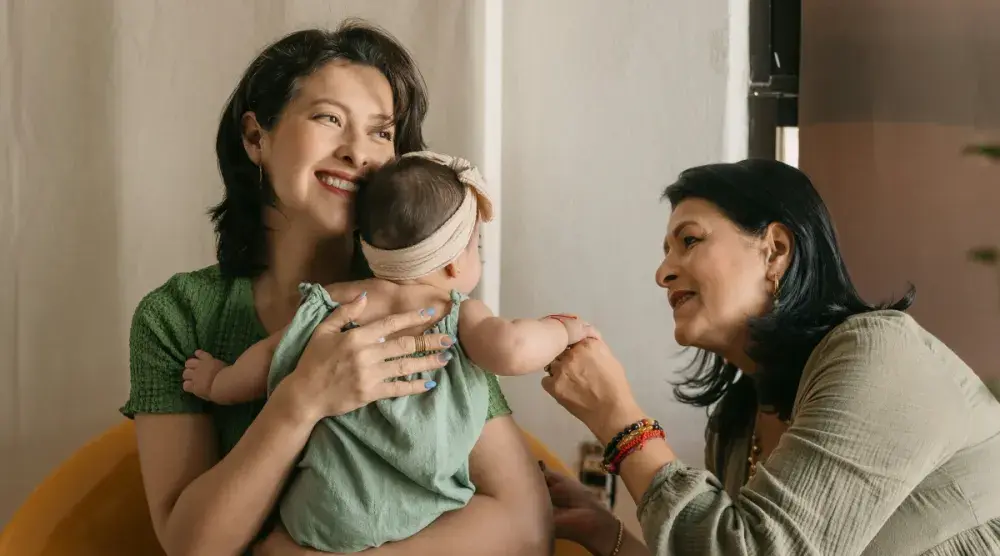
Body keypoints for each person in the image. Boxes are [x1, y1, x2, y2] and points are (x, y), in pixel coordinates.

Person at [120, 22, 551, 556]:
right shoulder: (178, 316)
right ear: (257, 138)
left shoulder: (429, 309)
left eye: (382, 132)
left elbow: (527, 526)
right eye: (329, 119)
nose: (359, 153)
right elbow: (190, 547)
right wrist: (301, 400)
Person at [539, 159, 1000, 555]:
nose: (663, 272)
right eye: (665, 252)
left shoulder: (879, 352)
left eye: (690, 240)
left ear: (775, 250)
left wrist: (621, 422)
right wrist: (606, 533)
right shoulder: (736, 423)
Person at [181, 151, 595, 552]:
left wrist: (218, 381)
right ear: (453, 263)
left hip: (324, 520)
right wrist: (562, 329)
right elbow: (514, 348)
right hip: (429, 515)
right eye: (476, 248)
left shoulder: (333, 305)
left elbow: (270, 355)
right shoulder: (456, 312)